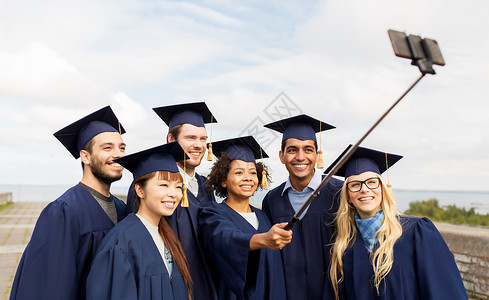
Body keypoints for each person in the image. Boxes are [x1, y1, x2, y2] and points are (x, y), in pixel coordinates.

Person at [10, 106, 128, 300]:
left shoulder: (122, 208)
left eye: (122, 148)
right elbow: (50, 283)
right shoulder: (64, 211)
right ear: (85, 156)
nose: (118, 154)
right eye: (107, 147)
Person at [328, 145, 468, 300]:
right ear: (348, 196)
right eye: (355, 184)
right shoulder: (344, 248)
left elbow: (444, 290)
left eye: (372, 182)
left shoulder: (416, 232)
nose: (364, 189)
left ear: (382, 188)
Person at [86, 142, 192, 300]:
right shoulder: (121, 242)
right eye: (163, 185)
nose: (174, 194)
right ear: (140, 190)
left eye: (178, 187)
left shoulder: (167, 235)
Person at [199, 136, 292, 300]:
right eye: (239, 172)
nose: (248, 178)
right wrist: (263, 239)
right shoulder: (212, 213)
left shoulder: (264, 217)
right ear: (223, 180)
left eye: (252, 172)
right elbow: (225, 238)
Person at [261, 114, 343, 300]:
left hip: (335, 293)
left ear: (316, 154)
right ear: (281, 156)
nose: (300, 157)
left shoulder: (340, 192)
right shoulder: (272, 200)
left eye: (307, 149)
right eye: (292, 150)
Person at [152, 101, 219, 299]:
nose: (199, 145)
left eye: (203, 139)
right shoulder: (153, 183)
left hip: (206, 284)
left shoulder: (206, 186)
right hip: (171, 288)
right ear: (171, 139)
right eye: (190, 138)